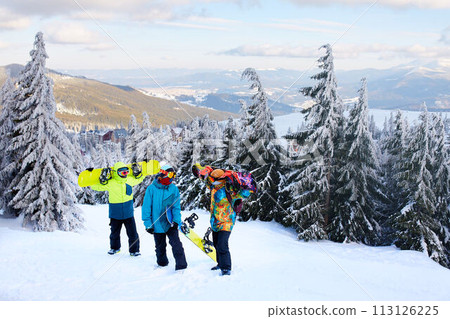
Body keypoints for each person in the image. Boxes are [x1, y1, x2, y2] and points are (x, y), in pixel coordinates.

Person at [192, 165, 251, 276]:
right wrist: (198, 170)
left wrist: (246, 187)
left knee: (222, 245)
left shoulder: (231, 189)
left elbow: (244, 194)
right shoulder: (214, 187)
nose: (213, 182)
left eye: (216, 181)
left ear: (222, 180)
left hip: (226, 221)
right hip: (215, 221)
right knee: (216, 244)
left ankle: (226, 268)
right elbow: (206, 178)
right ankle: (220, 263)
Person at [91, 161, 144, 256]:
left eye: (126, 172)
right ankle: (115, 248)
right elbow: (97, 187)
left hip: (128, 212)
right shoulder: (111, 183)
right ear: (116, 172)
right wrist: (94, 178)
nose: (125, 174)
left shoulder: (129, 180)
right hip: (115, 213)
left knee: (132, 233)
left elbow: (139, 179)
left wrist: (140, 174)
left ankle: (134, 250)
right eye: (122, 172)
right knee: (114, 233)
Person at [142, 164, 187, 271]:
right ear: (163, 174)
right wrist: (148, 224)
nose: (173, 177)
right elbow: (146, 207)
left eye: (174, 175)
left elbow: (176, 207)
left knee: (176, 245)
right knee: (160, 247)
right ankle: (162, 265)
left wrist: (176, 221)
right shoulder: (152, 189)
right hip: (156, 224)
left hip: (169, 222)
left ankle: (181, 266)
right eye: (171, 174)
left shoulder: (173, 189)